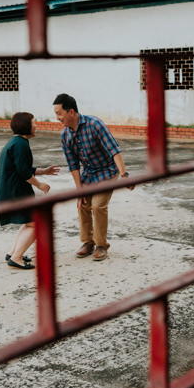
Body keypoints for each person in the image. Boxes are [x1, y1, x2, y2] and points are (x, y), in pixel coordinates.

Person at [53, 93, 133, 262]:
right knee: (82, 204)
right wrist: (79, 190)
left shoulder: (94, 124)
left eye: (59, 113)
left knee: (97, 206)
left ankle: (101, 246)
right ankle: (88, 243)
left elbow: (114, 150)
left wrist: (124, 174)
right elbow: (73, 165)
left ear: (71, 112)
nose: (57, 118)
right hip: (89, 174)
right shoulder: (65, 136)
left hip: (107, 171)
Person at [0, 112, 59, 270]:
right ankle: (16, 258)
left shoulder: (15, 142)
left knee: (29, 222)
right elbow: (23, 172)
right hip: (16, 192)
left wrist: (44, 171)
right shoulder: (21, 145)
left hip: (10, 191)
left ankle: (12, 254)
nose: (36, 125)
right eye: (33, 122)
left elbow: (21, 167)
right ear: (26, 126)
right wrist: (40, 185)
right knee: (37, 223)